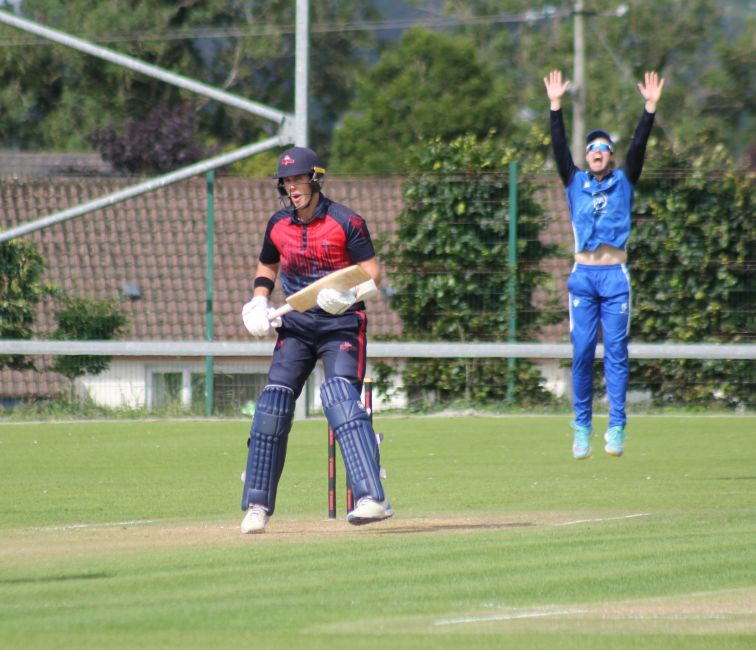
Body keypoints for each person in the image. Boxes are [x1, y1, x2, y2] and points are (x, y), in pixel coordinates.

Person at [238, 146, 392, 533]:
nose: (292, 187)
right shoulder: (278, 224)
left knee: (338, 398)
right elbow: (267, 263)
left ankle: (372, 498)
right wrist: (259, 300)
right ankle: (257, 504)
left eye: (298, 179)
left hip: (342, 324)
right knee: (273, 402)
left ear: (315, 179)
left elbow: (374, 273)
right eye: (286, 181)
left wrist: (349, 295)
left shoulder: (346, 221)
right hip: (296, 326)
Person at [543, 69, 664, 459]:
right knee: (581, 352)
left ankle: (616, 426)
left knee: (615, 352)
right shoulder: (574, 182)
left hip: (615, 278)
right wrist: (555, 106)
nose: (597, 152)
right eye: (592, 147)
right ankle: (582, 426)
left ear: (611, 155)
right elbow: (559, 146)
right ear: (587, 156)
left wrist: (649, 108)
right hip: (583, 277)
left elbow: (639, 146)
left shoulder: (624, 181)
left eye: (603, 147)